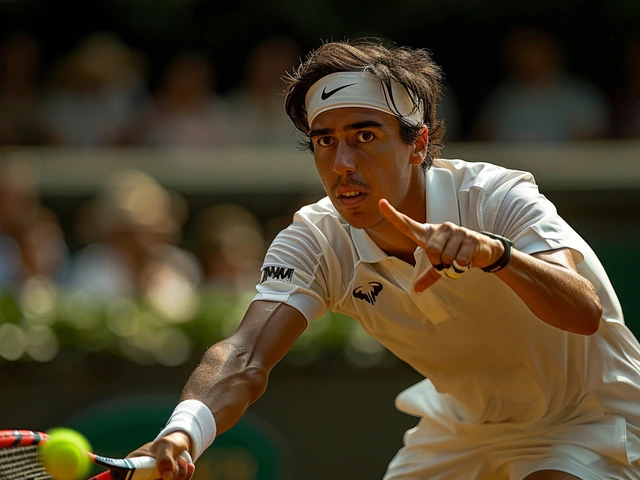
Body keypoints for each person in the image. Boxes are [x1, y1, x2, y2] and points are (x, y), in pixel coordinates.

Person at [128, 39, 640, 480]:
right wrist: (182, 432)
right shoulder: (314, 239)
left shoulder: (495, 197)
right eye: (325, 142)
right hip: (462, 428)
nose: (342, 164)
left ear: (417, 143)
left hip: (592, 416)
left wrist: (497, 256)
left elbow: (583, 311)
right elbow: (244, 357)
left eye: (365, 137)